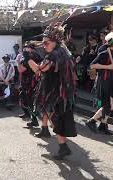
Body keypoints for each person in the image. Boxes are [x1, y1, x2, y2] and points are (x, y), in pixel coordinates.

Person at [29, 24, 77, 160]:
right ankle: (63, 147)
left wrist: (29, 60)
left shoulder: (56, 53)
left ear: (55, 41)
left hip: (59, 93)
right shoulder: (62, 50)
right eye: (43, 43)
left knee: (56, 118)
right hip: (59, 91)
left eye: (46, 43)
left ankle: (63, 147)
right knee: (55, 118)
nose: (44, 45)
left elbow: (41, 69)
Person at [85, 32, 113, 135]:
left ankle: (103, 125)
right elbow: (92, 65)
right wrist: (109, 67)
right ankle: (91, 121)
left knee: (110, 106)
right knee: (107, 106)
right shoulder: (105, 53)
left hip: (110, 82)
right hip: (104, 82)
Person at [18, 41, 44, 130]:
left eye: (26, 47)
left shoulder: (28, 57)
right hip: (35, 82)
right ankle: (29, 115)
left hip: (29, 83)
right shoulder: (37, 56)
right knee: (26, 99)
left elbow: (21, 70)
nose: (24, 49)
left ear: (30, 48)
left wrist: (18, 62)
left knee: (29, 101)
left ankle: (34, 120)